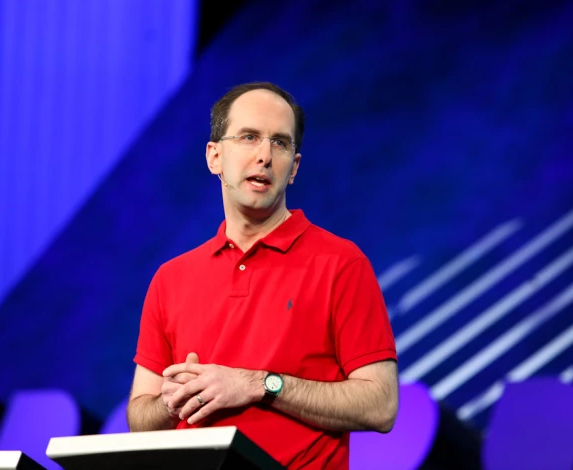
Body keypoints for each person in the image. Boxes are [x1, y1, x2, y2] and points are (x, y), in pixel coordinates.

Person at [126, 82, 398, 469]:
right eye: (249, 137)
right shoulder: (170, 278)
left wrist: (259, 385)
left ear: (294, 169)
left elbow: (381, 405)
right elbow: (140, 418)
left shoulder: (341, 263)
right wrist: (171, 402)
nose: (265, 156)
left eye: (281, 143)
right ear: (214, 156)